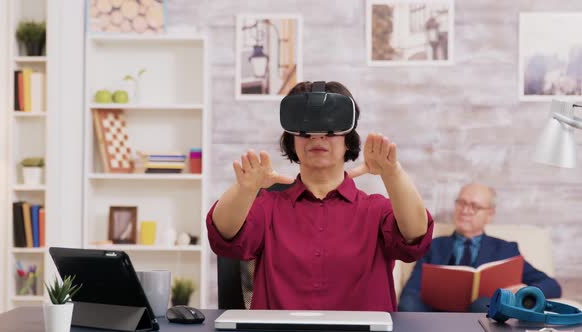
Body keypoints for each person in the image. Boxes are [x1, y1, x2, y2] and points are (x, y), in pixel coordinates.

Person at [207, 81, 434, 311]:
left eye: (329, 127)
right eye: (306, 129)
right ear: (292, 141)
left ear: (348, 140)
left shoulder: (375, 210)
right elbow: (223, 235)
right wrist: (245, 188)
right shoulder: (268, 207)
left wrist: (392, 172)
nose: (317, 136)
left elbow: (415, 236)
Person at [398, 182, 562, 312]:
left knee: (483, 304)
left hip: (483, 317)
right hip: (437, 316)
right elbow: (411, 291)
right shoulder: (435, 245)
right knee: (408, 302)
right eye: (461, 203)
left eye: (474, 206)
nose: (465, 211)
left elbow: (552, 286)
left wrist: (523, 291)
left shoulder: (506, 250)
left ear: (489, 214)